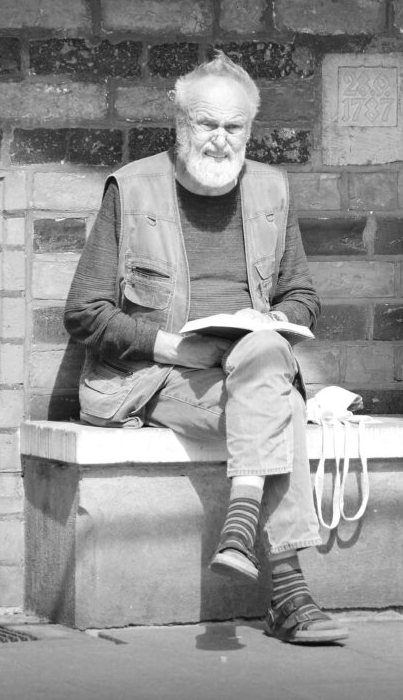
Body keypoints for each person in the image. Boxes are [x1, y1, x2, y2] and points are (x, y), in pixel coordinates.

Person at [64, 52, 347, 645]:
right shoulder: (132, 187)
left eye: (234, 127)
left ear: (250, 129)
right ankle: (289, 591)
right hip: (158, 377)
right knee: (285, 405)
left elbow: (302, 295)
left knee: (264, 351)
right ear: (180, 123)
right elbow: (85, 312)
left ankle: (242, 528)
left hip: (251, 364)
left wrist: (272, 319)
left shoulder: (272, 189)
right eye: (207, 124)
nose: (220, 139)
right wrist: (174, 348)